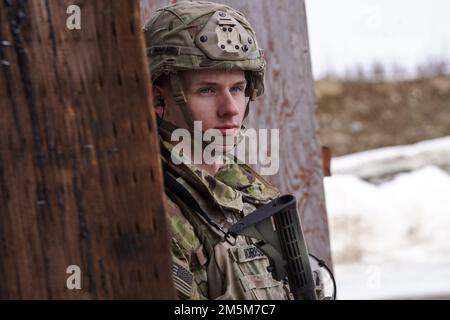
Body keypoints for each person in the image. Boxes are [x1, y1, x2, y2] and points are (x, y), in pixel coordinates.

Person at [144, 1, 331, 300]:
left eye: (237, 89)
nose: (230, 109)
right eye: (207, 90)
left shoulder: (249, 193)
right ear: (158, 99)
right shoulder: (153, 210)